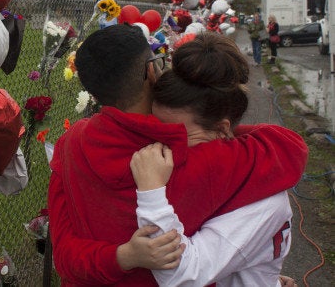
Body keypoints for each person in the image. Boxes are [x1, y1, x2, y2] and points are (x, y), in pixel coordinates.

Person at [48, 25, 307, 286]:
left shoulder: (69, 145)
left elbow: (64, 258)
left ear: (93, 91)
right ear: (152, 71)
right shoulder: (196, 156)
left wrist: (120, 257)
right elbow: (289, 149)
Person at [129, 33, 298, 286]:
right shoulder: (238, 171)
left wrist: (152, 194)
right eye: (157, 129)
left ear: (221, 129)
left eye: (179, 134)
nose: (162, 146)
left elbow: (184, 276)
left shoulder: (262, 202)